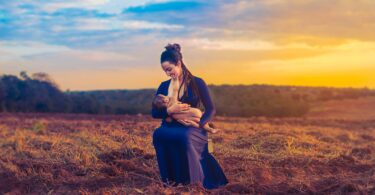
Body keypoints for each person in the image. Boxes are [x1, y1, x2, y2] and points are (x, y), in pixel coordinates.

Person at [152, 43, 228, 189]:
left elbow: (211, 109)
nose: (168, 73)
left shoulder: (197, 83)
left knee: (184, 137)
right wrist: (169, 110)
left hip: (194, 127)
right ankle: (170, 181)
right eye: (165, 71)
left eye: (169, 69)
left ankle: (194, 183)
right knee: (159, 134)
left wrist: (199, 125)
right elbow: (154, 113)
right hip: (170, 124)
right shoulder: (163, 86)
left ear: (179, 63)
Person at [152, 93, 220, 134]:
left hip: (193, 114)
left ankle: (209, 128)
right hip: (193, 114)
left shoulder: (171, 107)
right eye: (165, 96)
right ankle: (210, 129)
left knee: (199, 122)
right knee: (200, 122)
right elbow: (167, 118)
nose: (167, 97)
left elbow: (169, 120)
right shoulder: (171, 107)